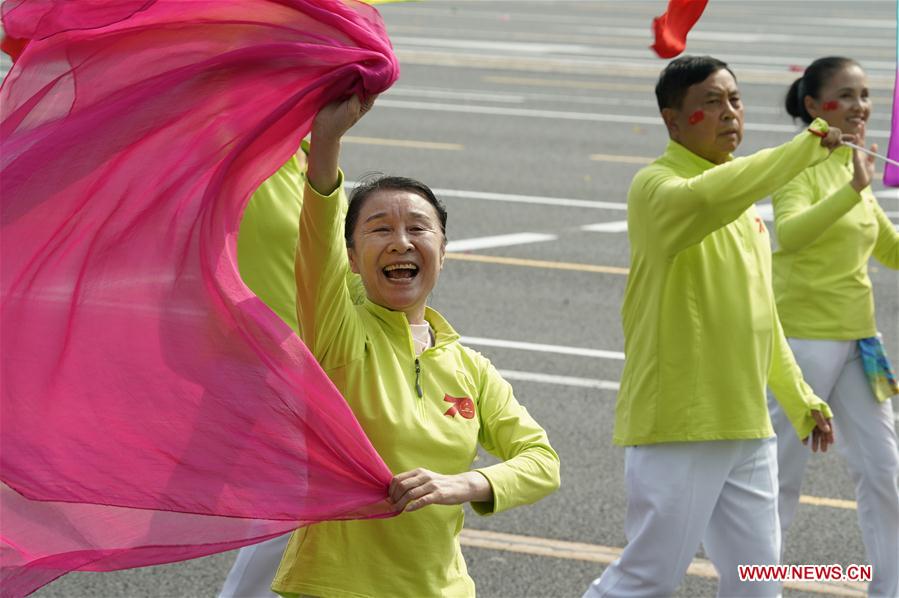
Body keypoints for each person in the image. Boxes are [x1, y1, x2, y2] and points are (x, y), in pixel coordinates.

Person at [264, 95, 561, 597]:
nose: (401, 242)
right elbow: (316, 236)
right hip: (334, 586)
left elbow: (541, 461)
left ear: (442, 252)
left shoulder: (469, 365)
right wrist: (328, 139)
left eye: (418, 228)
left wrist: (461, 485)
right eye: (380, 229)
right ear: (352, 260)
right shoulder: (337, 334)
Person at [583, 55, 837, 598]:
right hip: (681, 422)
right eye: (711, 103)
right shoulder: (656, 187)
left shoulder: (743, 207)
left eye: (736, 100)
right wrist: (803, 149)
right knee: (648, 578)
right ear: (673, 121)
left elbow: (760, 316)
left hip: (746, 424)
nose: (729, 113)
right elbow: (706, 197)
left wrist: (799, 398)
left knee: (759, 581)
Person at [769, 56, 899, 598]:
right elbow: (791, 235)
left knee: (886, 473)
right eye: (844, 95)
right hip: (802, 342)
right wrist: (851, 189)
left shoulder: (855, 162)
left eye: (864, 94)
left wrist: (857, 184)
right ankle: (756, 583)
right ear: (812, 105)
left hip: (861, 343)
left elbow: (888, 249)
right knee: (779, 477)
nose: (859, 106)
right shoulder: (799, 165)